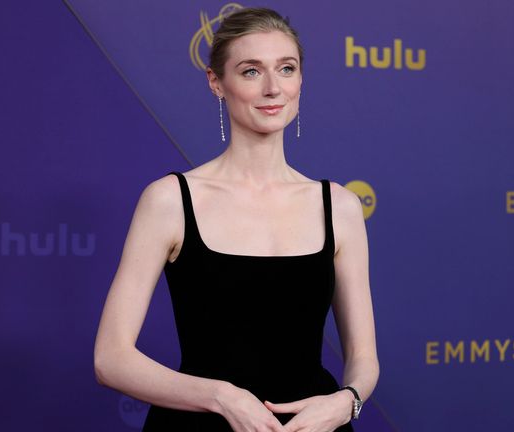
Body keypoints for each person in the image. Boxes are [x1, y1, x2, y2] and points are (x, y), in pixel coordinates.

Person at [93, 7, 379, 432]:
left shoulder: (339, 207)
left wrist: (345, 402)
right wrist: (221, 396)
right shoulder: (170, 200)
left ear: (301, 80)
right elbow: (111, 358)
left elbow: (363, 358)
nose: (272, 88)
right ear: (216, 82)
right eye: (250, 71)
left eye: (286, 69)